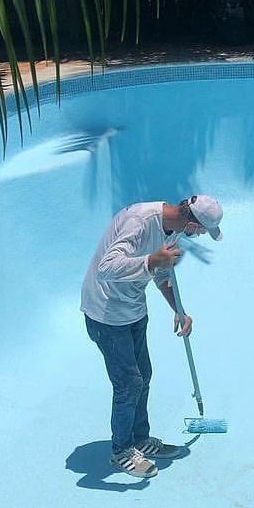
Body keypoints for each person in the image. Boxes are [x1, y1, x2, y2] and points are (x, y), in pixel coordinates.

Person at [81, 194, 224, 478]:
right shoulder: (140, 221)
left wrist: (178, 309)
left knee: (143, 375)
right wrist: (151, 259)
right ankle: (121, 451)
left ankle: (139, 439)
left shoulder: (171, 229)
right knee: (128, 384)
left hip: (132, 308)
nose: (199, 236)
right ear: (193, 224)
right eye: (202, 231)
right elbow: (105, 268)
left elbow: (160, 273)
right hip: (106, 314)